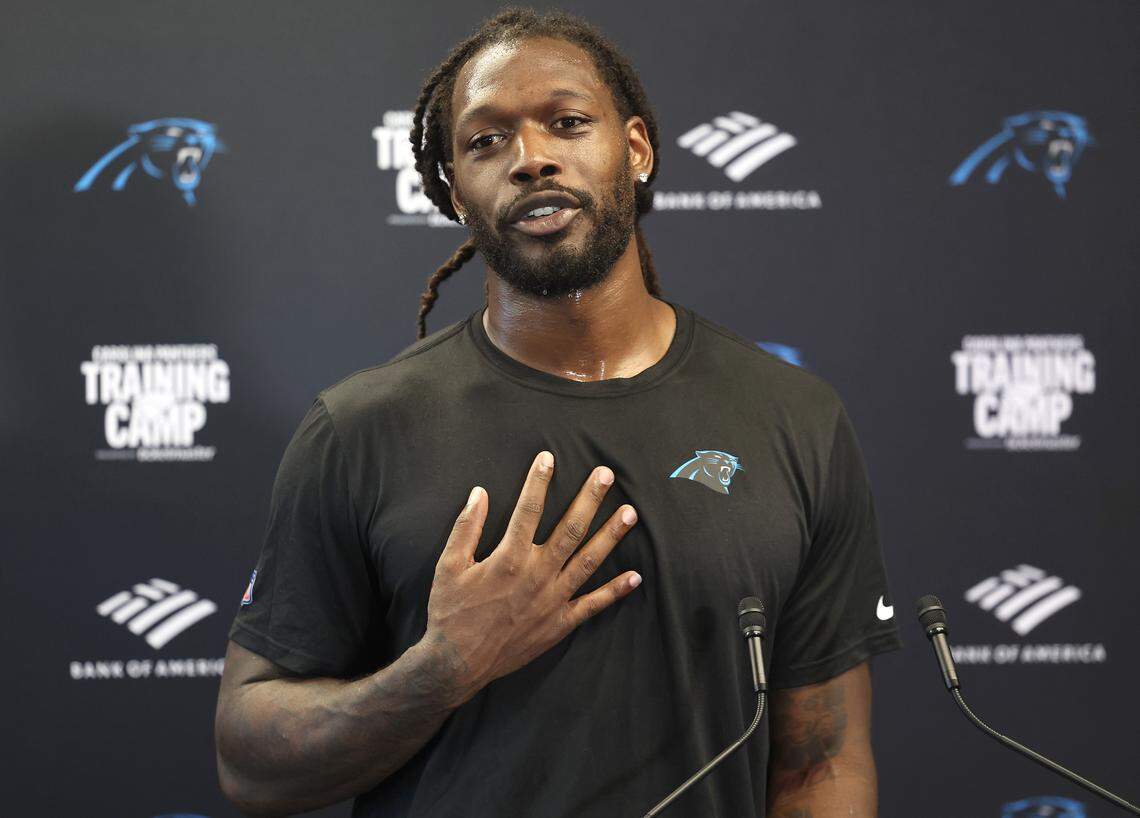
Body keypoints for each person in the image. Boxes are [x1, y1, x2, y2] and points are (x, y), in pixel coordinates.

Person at [214, 8, 902, 817]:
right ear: (453, 192)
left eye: (568, 123)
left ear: (635, 149)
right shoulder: (360, 430)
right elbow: (251, 765)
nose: (530, 159)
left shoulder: (795, 417)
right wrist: (441, 669)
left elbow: (822, 760)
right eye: (485, 141)